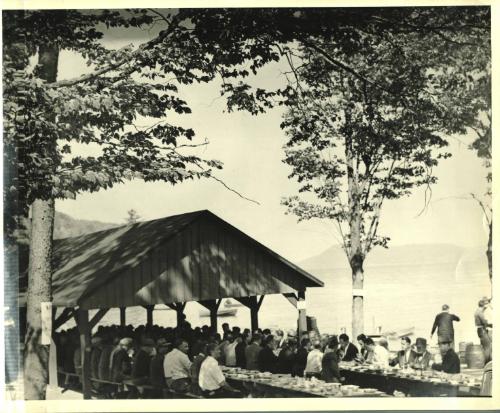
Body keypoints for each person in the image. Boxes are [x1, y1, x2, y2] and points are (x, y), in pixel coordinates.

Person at [474, 297, 492, 364]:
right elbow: (484, 322)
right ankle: (487, 363)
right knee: (487, 347)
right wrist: (491, 324)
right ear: (483, 305)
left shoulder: (477, 311)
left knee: (485, 346)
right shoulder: (479, 312)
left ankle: (487, 362)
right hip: (482, 330)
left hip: (480, 330)